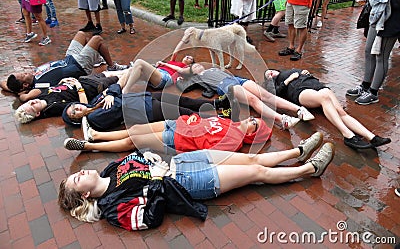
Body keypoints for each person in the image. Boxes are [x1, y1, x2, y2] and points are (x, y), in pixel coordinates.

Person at [58, 135, 334, 229]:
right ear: (84, 196)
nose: (81, 173)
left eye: (77, 172)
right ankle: (309, 169)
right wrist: (156, 182)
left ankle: (297, 152)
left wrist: (150, 157)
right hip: (189, 182)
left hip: (185, 160)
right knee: (255, 174)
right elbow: (149, 218)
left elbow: (139, 156)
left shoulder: (109, 169)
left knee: (249, 160)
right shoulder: (111, 207)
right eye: (77, 179)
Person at [61, 69, 238, 130]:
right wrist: (112, 94)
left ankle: (217, 103)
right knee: (183, 113)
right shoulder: (94, 118)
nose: (77, 109)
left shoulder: (92, 105)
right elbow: (117, 106)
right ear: (77, 119)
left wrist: (111, 93)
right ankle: (221, 120)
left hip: (143, 98)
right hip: (143, 111)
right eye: (75, 113)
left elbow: (114, 90)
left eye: (74, 107)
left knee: (182, 101)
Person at [264, 69, 391, 150]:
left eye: (270, 71)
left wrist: (306, 73)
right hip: (300, 91)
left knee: (341, 112)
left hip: (315, 85)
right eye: (268, 75)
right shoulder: (278, 83)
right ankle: (348, 135)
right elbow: (276, 95)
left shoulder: (289, 70)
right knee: (324, 98)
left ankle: (372, 137)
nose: (270, 73)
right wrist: (288, 80)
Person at [175, 63, 315, 129]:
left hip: (237, 79)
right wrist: (178, 78)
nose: (197, 65)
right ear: (192, 72)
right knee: (253, 100)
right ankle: (282, 120)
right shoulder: (198, 78)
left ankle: (298, 109)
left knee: (265, 95)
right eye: (193, 66)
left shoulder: (212, 68)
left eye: (197, 64)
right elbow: (183, 83)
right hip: (225, 85)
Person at [0, 31, 128, 100]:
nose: (26, 72)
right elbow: (25, 97)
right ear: (25, 85)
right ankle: (111, 66)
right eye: (23, 75)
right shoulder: (39, 85)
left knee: (81, 34)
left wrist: (13, 89)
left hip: (69, 58)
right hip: (79, 66)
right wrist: (21, 93)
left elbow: (2, 82)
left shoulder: (31, 77)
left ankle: (96, 56)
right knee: (97, 39)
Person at [63, 112, 272, 153]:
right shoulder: (231, 123)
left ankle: (89, 146)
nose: (249, 119)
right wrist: (194, 119)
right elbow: (205, 121)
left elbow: (206, 151)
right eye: (253, 118)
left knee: (134, 140)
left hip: (179, 138)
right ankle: (96, 134)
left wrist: (193, 132)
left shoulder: (234, 143)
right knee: (135, 129)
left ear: (253, 135)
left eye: (254, 123)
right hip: (177, 123)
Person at [346, 0, 400, 105]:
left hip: (392, 18)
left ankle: (373, 92)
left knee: (381, 55)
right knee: (369, 50)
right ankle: (365, 85)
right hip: (377, 14)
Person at [14, 74, 120, 123]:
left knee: (112, 73)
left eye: (28, 103)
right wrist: (78, 86)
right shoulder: (54, 108)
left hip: (85, 79)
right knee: (118, 78)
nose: (32, 102)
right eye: (32, 106)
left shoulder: (40, 97)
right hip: (92, 87)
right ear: (37, 114)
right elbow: (84, 106)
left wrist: (62, 81)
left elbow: (56, 89)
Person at [123, 55, 195, 91]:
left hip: (166, 77)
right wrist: (184, 39)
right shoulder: (173, 61)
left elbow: (180, 70)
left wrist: (165, 64)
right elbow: (176, 51)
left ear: (190, 64)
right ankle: (117, 84)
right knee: (131, 70)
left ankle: (125, 91)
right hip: (158, 71)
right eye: (187, 56)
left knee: (139, 62)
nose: (187, 57)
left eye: (190, 58)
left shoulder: (186, 67)